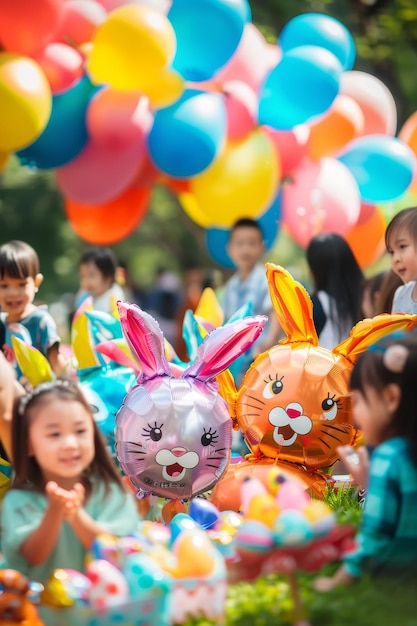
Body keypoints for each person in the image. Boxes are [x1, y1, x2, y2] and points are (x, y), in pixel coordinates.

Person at [0, 379, 141, 583]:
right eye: (54, 434)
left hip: (107, 611)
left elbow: (119, 552)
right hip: (42, 613)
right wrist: (55, 512)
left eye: (80, 431)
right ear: (28, 444)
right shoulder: (18, 500)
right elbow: (32, 557)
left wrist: (76, 516)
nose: (70, 443)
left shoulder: (111, 491)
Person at [313, 332, 417, 590]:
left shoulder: (388, 457)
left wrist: (338, 581)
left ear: (391, 398)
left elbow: (375, 536)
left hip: (397, 580)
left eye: (358, 401)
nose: (355, 415)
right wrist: (369, 485)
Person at [219, 218, 281, 385]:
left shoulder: (266, 279)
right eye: (240, 244)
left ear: (262, 247)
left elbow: (275, 311)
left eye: (252, 244)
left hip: (261, 356)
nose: (245, 250)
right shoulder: (231, 286)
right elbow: (226, 321)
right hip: (236, 358)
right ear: (230, 249)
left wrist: (269, 342)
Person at [0, 240, 68, 381]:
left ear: (36, 283)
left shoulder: (40, 321)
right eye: (4, 286)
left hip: (36, 395)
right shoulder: (1, 323)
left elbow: (56, 362)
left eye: (21, 284)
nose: (12, 293)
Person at [306, 233, 364, 349]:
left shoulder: (314, 305)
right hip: (362, 363)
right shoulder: (366, 297)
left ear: (314, 271)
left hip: (325, 365)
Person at [385, 206, 417, 314]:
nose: (395, 259)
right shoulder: (401, 296)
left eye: (402, 246)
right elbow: (396, 330)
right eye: (392, 252)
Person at [76, 247, 126, 314]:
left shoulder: (114, 300)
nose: (86, 281)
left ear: (108, 277)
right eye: (83, 276)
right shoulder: (85, 296)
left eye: (91, 275)